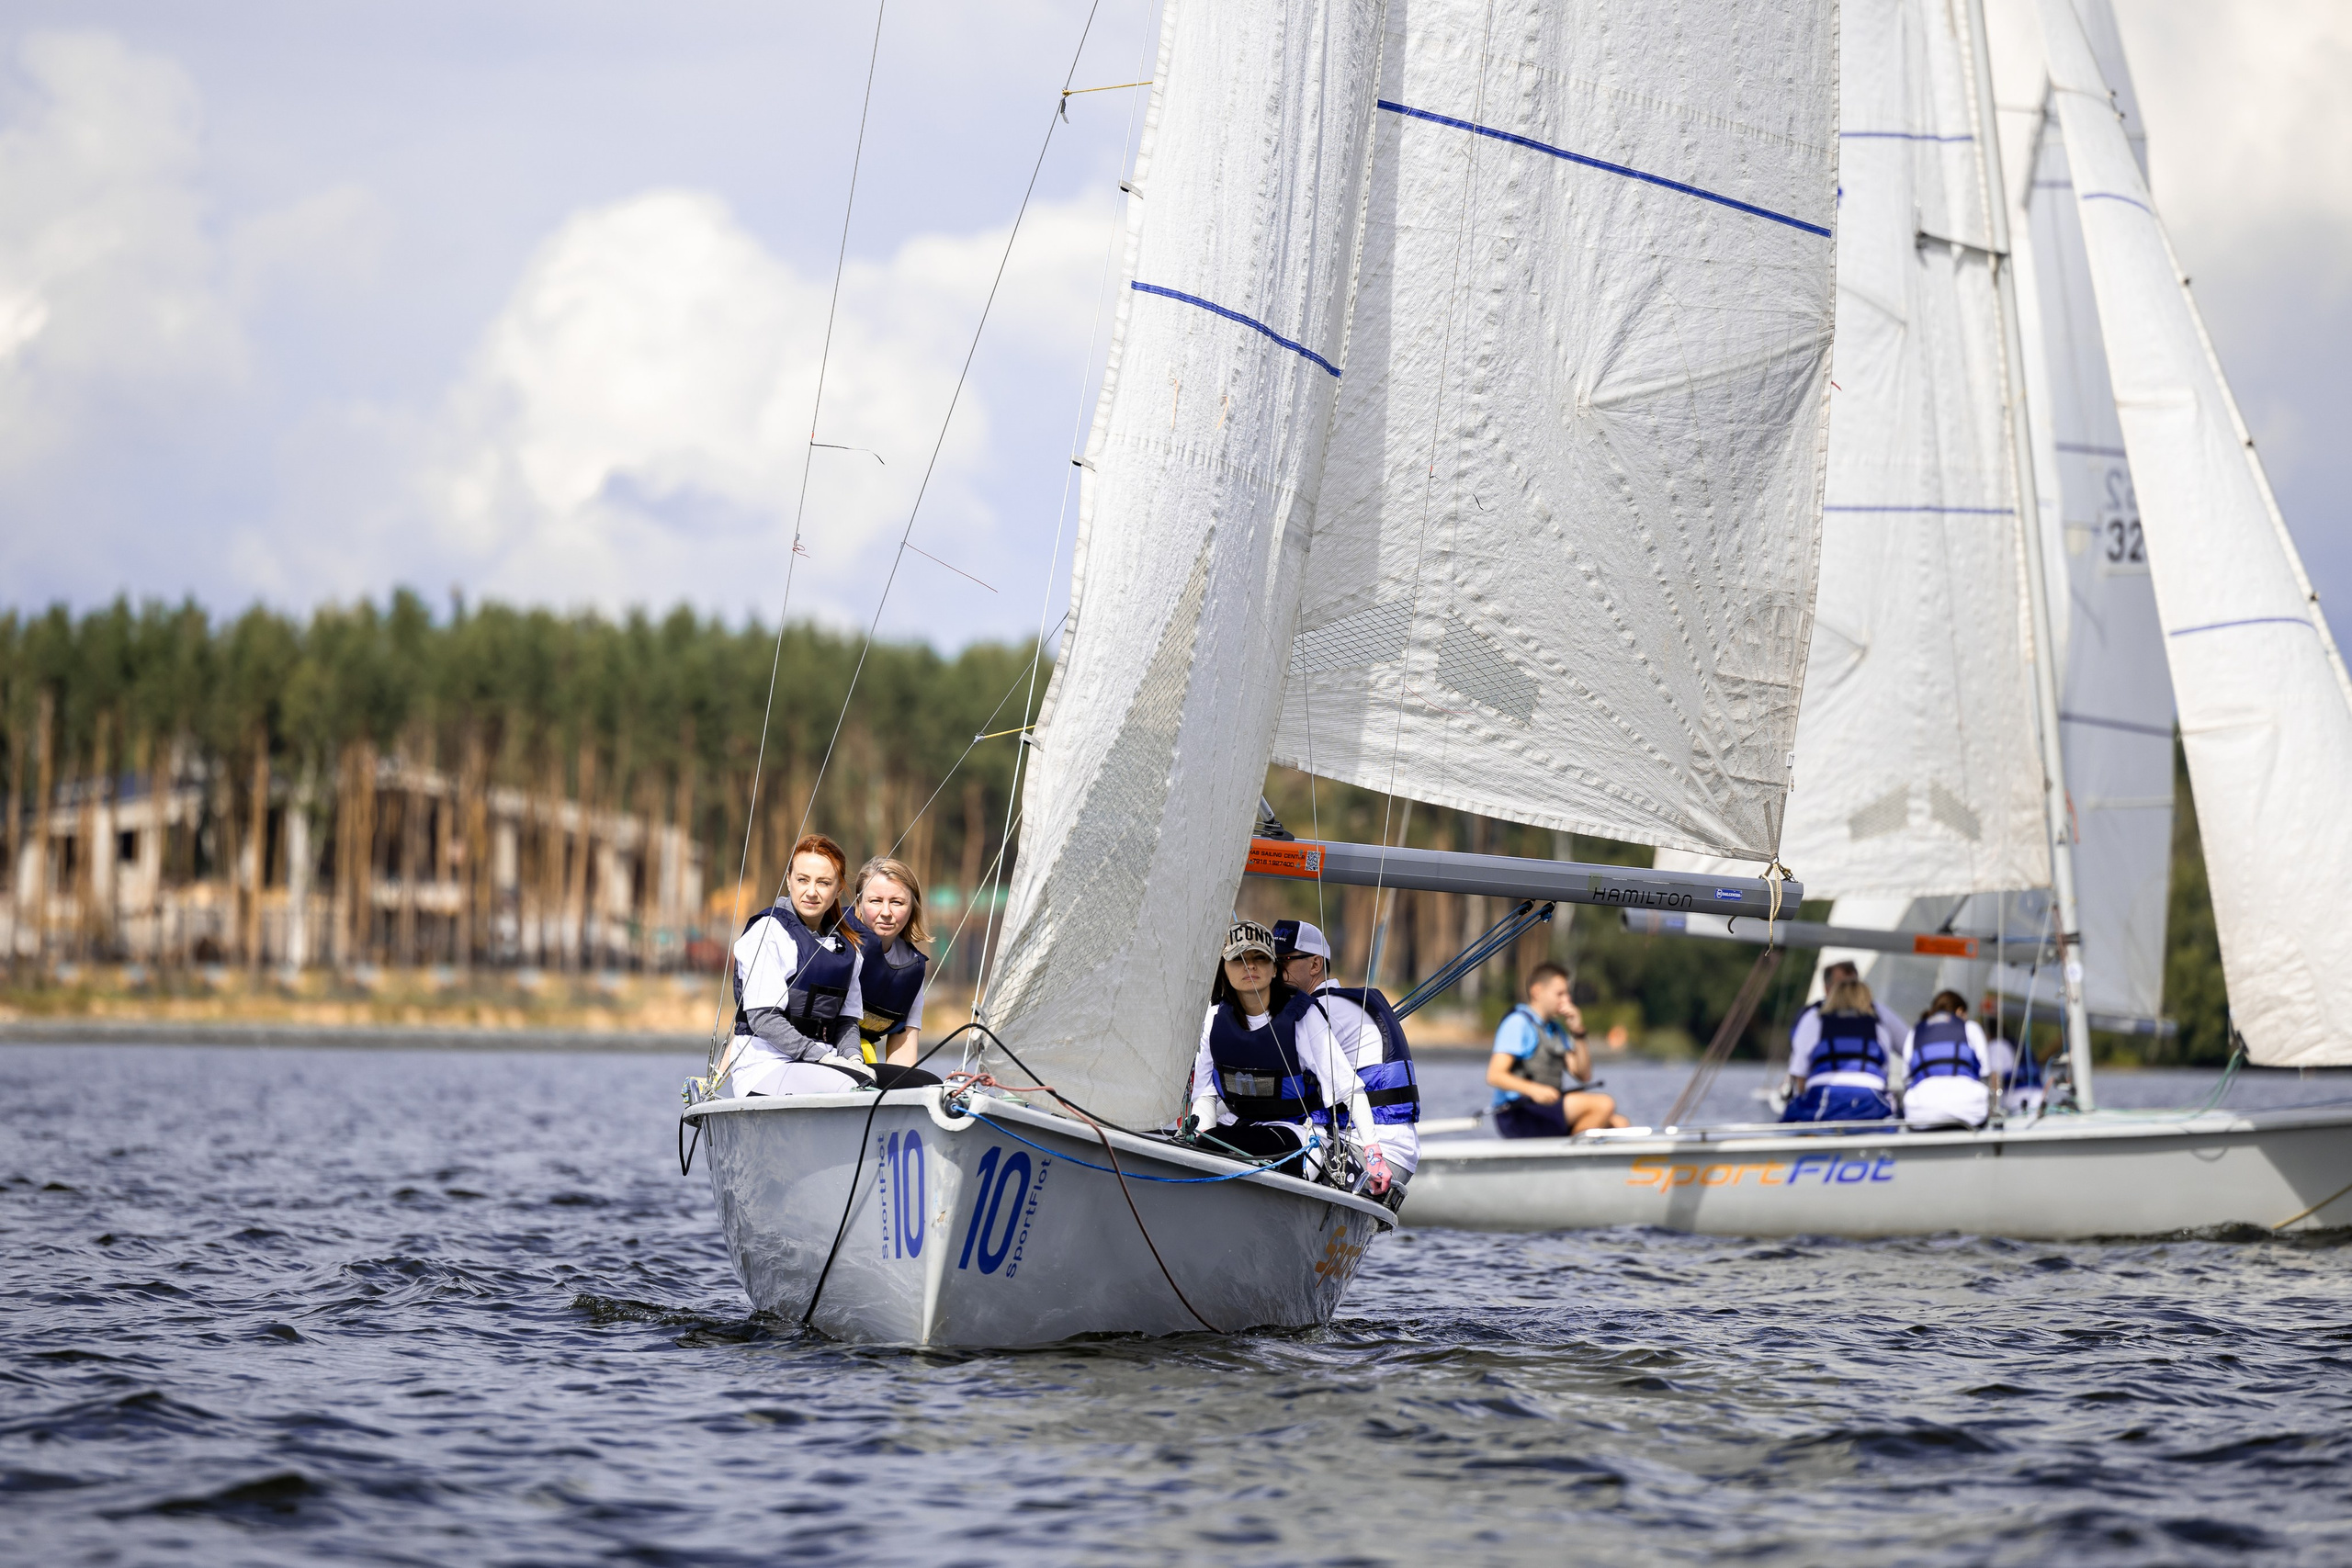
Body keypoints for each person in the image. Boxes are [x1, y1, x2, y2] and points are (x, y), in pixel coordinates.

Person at [1186, 919, 1391, 1193]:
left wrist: (1373, 1153)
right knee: (1210, 1143)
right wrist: (1197, 1148)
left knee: (1226, 1144)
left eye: (1260, 957)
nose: (1250, 966)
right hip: (1243, 1128)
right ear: (1225, 969)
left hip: (1301, 1138)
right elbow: (1205, 1095)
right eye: (1238, 959)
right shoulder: (1213, 1020)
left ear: (1274, 969)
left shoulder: (1303, 1018)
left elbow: (1349, 1089)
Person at [1274, 918, 1418, 1209]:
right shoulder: (1341, 1002)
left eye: (1284, 960)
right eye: (1269, 961)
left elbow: (1275, 1079)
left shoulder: (1321, 1010)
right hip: (1391, 1151)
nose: (1273, 971)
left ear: (1315, 965)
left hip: (1368, 1154)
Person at [720, 834, 869, 1098]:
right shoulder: (768, 933)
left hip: (824, 1066)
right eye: (802, 880)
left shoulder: (847, 947)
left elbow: (846, 1022)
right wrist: (822, 1060)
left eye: (823, 883)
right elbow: (763, 1018)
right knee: (852, 1089)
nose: (811, 891)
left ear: (838, 889)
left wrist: (854, 1059)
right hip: (765, 1067)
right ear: (789, 881)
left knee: (915, 1083)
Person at [1487, 964, 1628, 1137]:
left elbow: (1583, 1075)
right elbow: (1494, 1075)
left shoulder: (1555, 1029)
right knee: (1604, 1105)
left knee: (1620, 1124)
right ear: (1537, 991)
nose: (1567, 1000)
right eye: (1560, 994)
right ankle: (1573, 1155)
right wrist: (1534, 1090)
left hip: (1544, 1110)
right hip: (1518, 1113)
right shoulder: (1518, 1023)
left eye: (1567, 994)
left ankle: (1578, 1153)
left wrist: (1578, 1032)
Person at [842, 855, 944, 1089]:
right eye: (876, 901)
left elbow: (903, 1049)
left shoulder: (912, 968)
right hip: (822, 1058)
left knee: (924, 1083)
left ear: (913, 908)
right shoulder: (835, 945)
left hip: (863, 1064)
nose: (886, 912)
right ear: (858, 904)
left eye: (897, 902)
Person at [1781, 976, 1902, 1122]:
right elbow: (1889, 1065)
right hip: (1870, 1095)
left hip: (1822, 1094)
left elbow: (1799, 1074)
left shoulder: (1813, 1019)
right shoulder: (1879, 1023)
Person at [1901, 989, 1990, 1129]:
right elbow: (1985, 1076)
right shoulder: (1971, 1028)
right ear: (1960, 1012)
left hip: (1922, 1113)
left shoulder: (1915, 1032)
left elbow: (1906, 1079)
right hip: (1968, 1110)